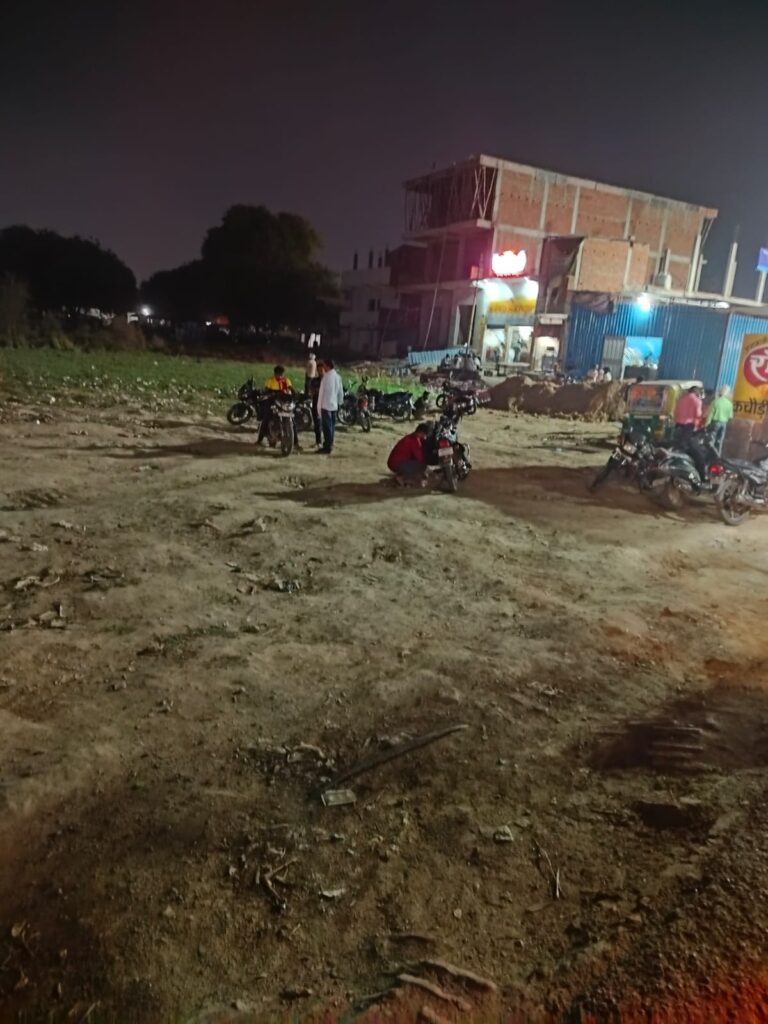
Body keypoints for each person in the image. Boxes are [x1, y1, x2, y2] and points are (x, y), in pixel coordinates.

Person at [257, 365, 299, 449]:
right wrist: (271, 393)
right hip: (272, 401)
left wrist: (295, 394)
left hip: (283, 402)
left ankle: (296, 443)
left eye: (281, 374)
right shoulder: (270, 380)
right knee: (266, 418)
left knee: (293, 421)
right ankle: (260, 439)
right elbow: (266, 390)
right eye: (278, 374)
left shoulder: (286, 380)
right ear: (275, 373)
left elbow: (291, 388)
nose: (280, 376)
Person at [316, 358, 344, 454]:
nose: (323, 367)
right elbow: (340, 392)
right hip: (334, 405)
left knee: (327, 428)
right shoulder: (338, 377)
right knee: (332, 427)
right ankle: (330, 444)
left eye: (324, 365)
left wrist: (319, 407)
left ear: (327, 366)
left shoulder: (326, 377)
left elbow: (321, 394)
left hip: (326, 405)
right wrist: (339, 403)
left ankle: (327, 447)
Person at [706, 385, 734, 454]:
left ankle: (710, 454)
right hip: (724, 423)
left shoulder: (715, 402)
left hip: (715, 422)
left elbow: (710, 414)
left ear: (720, 392)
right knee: (719, 440)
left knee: (711, 440)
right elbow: (730, 416)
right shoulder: (729, 404)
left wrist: (706, 424)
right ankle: (717, 454)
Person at [309, 361, 324, 448]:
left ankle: (327, 442)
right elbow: (311, 391)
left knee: (326, 424)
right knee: (317, 424)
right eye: (318, 370)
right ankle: (318, 441)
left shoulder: (327, 380)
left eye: (322, 370)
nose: (320, 372)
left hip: (325, 404)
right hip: (316, 403)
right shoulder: (314, 380)